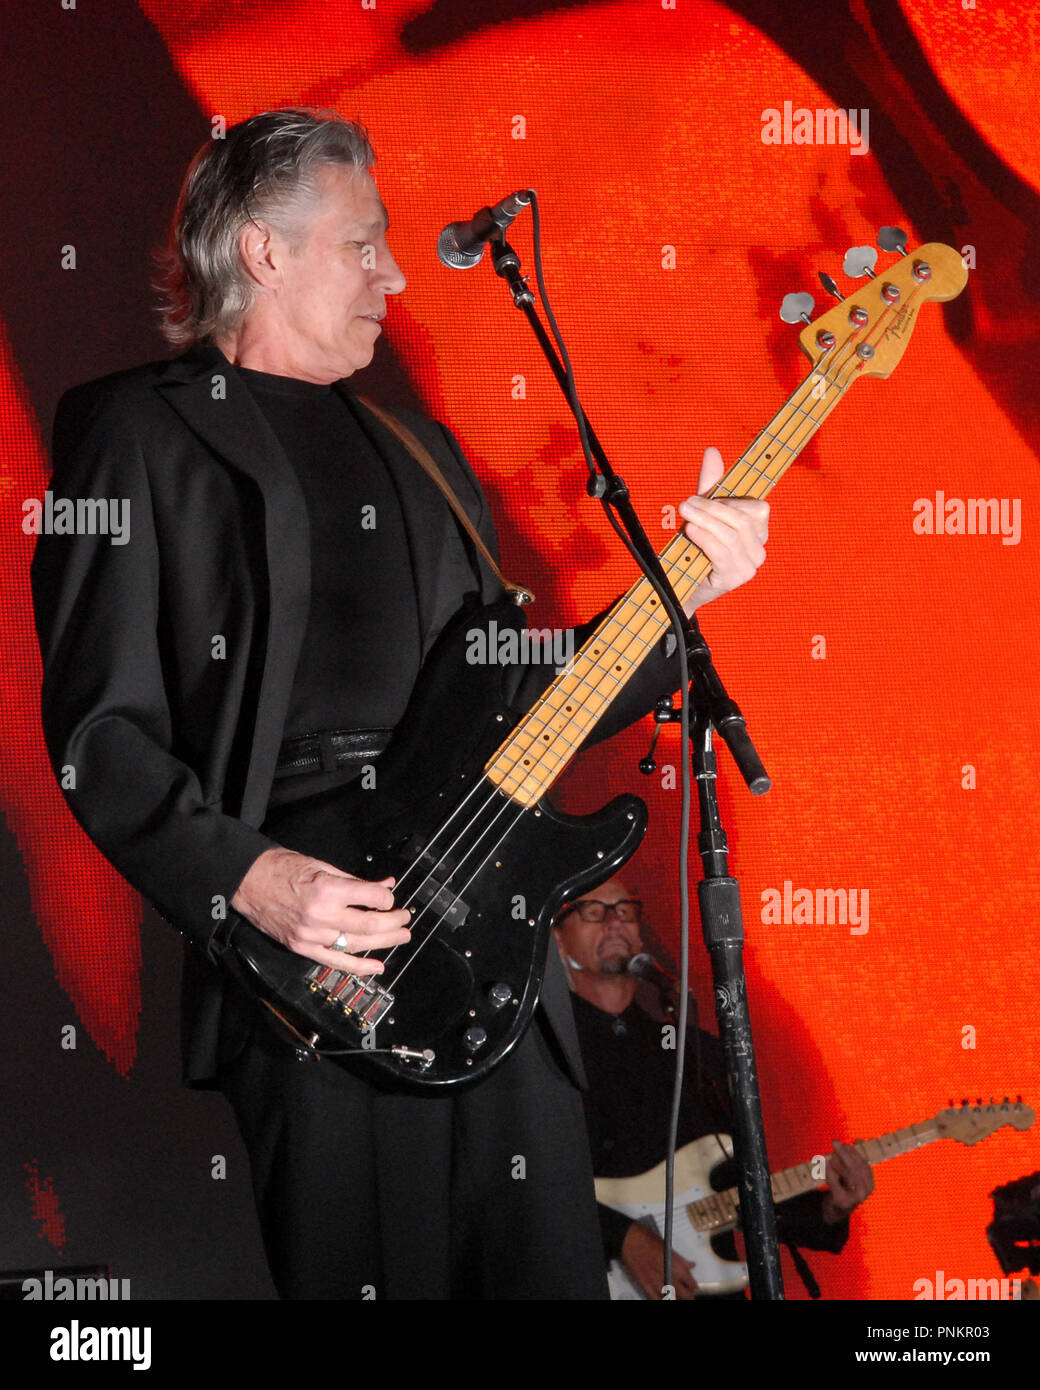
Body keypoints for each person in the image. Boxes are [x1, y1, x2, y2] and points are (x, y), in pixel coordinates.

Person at [30, 108, 770, 1300]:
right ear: (265, 251)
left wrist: (690, 592)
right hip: (319, 963)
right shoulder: (137, 428)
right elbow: (101, 732)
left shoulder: (419, 451)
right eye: (363, 243)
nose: (394, 272)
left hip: (496, 956)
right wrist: (252, 878)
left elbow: (533, 702)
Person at [554, 877, 875, 1300]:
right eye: (593, 911)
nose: (614, 922)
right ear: (558, 940)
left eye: (625, 910)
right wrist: (624, 1238)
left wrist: (830, 1210)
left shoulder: (688, 1050)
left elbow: (729, 1188)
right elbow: (519, 1181)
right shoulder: (545, 1054)